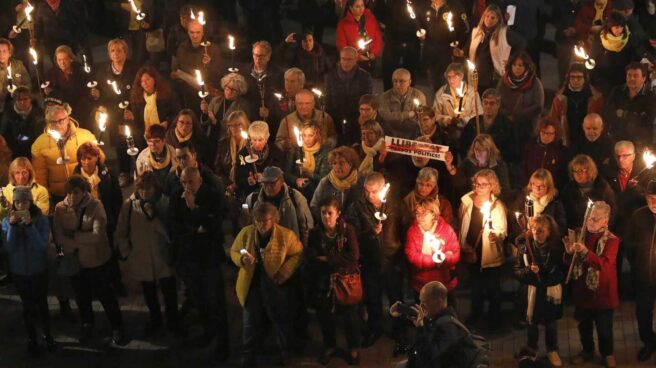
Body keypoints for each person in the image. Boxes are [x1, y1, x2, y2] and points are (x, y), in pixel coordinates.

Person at [53, 175, 126, 345]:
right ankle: (87, 323)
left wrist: (73, 236)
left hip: (97, 260)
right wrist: (80, 238)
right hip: (75, 262)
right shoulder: (60, 208)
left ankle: (117, 326)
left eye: (76, 192)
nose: (72, 196)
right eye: (69, 192)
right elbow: (58, 236)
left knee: (105, 294)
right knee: (81, 296)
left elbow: (98, 236)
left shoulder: (96, 206)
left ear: (84, 191)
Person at [230, 202, 303, 366]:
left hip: (275, 284)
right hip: (252, 284)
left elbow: (297, 253)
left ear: (274, 219)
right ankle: (248, 355)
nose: (261, 225)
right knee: (250, 322)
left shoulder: (286, 235)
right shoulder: (246, 233)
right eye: (258, 220)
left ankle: (285, 353)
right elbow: (234, 250)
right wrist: (242, 259)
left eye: (265, 221)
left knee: (280, 320)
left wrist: (285, 271)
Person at [169, 167, 229, 360]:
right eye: (184, 182)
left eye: (191, 182)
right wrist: (196, 228)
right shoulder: (176, 196)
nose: (187, 187)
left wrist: (194, 208)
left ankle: (223, 344)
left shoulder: (212, 196)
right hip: (188, 258)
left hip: (209, 258)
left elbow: (213, 226)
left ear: (200, 180)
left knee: (216, 302)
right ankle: (208, 331)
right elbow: (174, 225)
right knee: (199, 300)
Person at [115, 171, 180, 337]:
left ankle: (173, 320)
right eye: (142, 188)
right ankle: (155, 319)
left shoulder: (163, 203)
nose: (145, 192)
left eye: (148, 188)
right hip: (141, 256)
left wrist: (155, 218)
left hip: (162, 256)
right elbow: (121, 231)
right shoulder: (129, 206)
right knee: (149, 293)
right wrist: (127, 252)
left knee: (169, 292)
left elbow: (170, 229)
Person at [345, 172, 404, 351]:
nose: (369, 195)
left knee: (395, 296)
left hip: (391, 257)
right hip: (370, 259)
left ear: (383, 189)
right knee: (373, 297)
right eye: (366, 191)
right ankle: (375, 327)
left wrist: (401, 255)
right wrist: (370, 233)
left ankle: (399, 328)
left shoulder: (393, 205)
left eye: (374, 191)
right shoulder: (357, 207)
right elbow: (351, 235)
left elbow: (402, 229)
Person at [563, 201, 619, 367]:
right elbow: (570, 263)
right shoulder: (581, 235)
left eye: (595, 219)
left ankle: (607, 353)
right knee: (583, 326)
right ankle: (587, 351)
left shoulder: (612, 240)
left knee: (604, 328)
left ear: (605, 221)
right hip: (583, 291)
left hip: (602, 293)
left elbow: (604, 264)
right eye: (588, 218)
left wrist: (586, 252)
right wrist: (568, 253)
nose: (590, 222)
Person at [306, 196, 361, 365]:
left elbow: (353, 256)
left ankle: (353, 347)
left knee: (350, 317)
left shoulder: (347, 230)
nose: (326, 217)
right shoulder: (315, 233)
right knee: (325, 316)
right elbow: (312, 258)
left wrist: (328, 259)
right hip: (324, 282)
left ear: (338, 214)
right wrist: (335, 259)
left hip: (345, 280)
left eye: (330, 213)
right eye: (323, 213)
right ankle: (330, 345)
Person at [1, 186, 54, 356]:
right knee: (27, 307)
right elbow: (9, 248)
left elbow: (41, 246)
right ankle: (32, 338)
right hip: (19, 272)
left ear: (30, 202)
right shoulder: (6, 222)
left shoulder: (41, 220)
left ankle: (47, 335)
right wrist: (14, 228)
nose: (21, 205)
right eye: (17, 202)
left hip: (39, 269)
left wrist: (30, 226)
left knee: (42, 304)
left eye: (24, 201)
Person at [390, 281, 490, 368]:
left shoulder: (448, 329)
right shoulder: (435, 316)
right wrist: (398, 314)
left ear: (439, 302)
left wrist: (420, 329)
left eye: (425, 303)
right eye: (421, 302)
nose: (421, 306)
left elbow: (429, 359)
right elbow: (417, 319)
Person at [458, 169, 507, 328]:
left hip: (490, 254)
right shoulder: (467, 202)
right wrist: (462, 243)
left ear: (492, 186)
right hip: (472, 251)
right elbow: (462, 224)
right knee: (475, 288)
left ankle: (495, 319)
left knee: (493, 288)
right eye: (477, 184)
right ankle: (475, 315)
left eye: (484, 185)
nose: (479, 188)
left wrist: (496, 236)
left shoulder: (497, 206)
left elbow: (502, 230)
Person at [514, 215, 564, 367]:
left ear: (549, 232)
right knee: (532, 324)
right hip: (531, 292)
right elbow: (517, 271)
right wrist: (529, 270)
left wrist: (543, 281)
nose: (537, 233)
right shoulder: (524, 248)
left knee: (550, 323)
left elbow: (560, 273)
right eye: (534, 229)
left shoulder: (556, 249)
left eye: (541, 230)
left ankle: (552, 349)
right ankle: (531, 350)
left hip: (549, 291)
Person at [31, 103, 103, 201]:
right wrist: (45, 198)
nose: (57, 125)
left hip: (84, 191)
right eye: (53, 122)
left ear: (68, 119)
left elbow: (100, 161)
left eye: (61, 120)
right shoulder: (40, 144)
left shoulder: (85, 136)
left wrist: (96, 152)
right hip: (58, 195)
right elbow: (40, 176)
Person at [90, 39, 138, 185]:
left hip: (131, 111)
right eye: (112, 51)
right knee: (120, 144)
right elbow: (101, 96)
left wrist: (131, 109)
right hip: (114, 113)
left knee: (136, 140)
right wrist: (98, 98)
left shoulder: (134, 69)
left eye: (119, 50)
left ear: (125, 52)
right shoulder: (103, 72)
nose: (116, 54)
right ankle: (123, 171)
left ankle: (139, 170)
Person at [456, 4, 525, 93]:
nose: (489, 20)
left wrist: (512, 59)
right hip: (476, 75)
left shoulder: (504, 33)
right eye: (487, 16)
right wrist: (461, 52)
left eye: (493, 18)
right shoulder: (476, 32)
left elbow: (521, 43)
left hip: (492, 77)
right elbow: (468, 48)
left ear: (498, 20)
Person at [405, 197, 460, 304]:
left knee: (447, 316)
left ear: (433, 215)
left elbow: (455, 255)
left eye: (424, 214)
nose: (420, 218)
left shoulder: (446, 229)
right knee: (423, 316)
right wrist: (436, 260)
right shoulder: (412, 232)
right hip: (422, 284)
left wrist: (444, 257)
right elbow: (412, 257)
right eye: (418, 214)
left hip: (444, 284)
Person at [625, 181, 656, 362]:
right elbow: (629, 243)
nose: (653, 202)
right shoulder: (638, 216)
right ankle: (648, 341)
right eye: (650, 198)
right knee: (643, 311)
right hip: (644, 276)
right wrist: (638, 263)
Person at [245, 166, 314, 246]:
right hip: (262, 248)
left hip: (289, 247)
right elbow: (247, 226)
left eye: (272, 183)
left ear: (281, 182)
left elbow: (306, 227)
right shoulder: (253, 199)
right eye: (266, 183)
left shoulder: (295, 198)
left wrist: (303, 250)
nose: (268, 187)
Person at [324, 46, 373, 145]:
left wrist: (361, 116)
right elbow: (328, 100)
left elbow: (366, 99)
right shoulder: (330, 76)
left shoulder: (365, 77)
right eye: (343, 59)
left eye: (349, 59)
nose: (346, 62)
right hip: (336, 118)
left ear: (356, 60)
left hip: (356, 119)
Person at [418, 0, 470, 92]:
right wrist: (421, 32)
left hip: (448, 55)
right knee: (435, 87)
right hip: (431, 54)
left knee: (449, 87)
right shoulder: (425, 6)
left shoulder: (455, 6)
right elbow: (420, 23)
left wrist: (459, 46)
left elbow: (465, 29)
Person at [171, 18, 223, 107]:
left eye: (198, 32)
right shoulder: (182, 48)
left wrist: (208, 65)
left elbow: (218, 75)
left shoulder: (213, 49)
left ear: (203, 32)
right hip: (186, 90)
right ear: (188, 32)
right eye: (192, 32)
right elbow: (177, 69)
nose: (195, 36)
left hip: (207, 91)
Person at [548, 63, 604, 147]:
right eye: (573, 77)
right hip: (567, 138)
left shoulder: (595, 98)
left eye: (579, 77)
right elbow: (553, 119)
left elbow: (601, 121)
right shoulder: (560, 98)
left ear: (585, 78)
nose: (576, 80)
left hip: (589, 139)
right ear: (568, 78)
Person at [603, 62, 656, 149]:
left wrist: (624, 114)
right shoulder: (617, 91)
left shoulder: (650, 96)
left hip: (640, 144)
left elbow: (647, 120)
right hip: (617, 140)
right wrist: (635, 115)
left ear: (643, 78)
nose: (631, 78)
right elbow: (607, 112)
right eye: (629, 75)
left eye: (635, 76)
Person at [498, 52, 545, 149]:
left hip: (528, 125)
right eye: (514, 65)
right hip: (506, 123)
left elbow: (538, 106)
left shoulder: (535, 82)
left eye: (520, 65)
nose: (517, 68)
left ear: (527, 67)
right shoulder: (504, 81)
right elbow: (497, 101)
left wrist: (518, 115)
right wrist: (508, 115)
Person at [432, 63, 482, 151]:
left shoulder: (472, 92)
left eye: (454, 76)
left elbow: (478, 113)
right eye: (449, 77)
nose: (451, 80)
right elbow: (435, 115)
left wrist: (465, 120)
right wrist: (448, 120)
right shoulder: (441, 93)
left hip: (468, 133)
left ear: (461, 76)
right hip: (448, 134)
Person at [445, 134, 511, 199]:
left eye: (483, 149)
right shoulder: (468, 162)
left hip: (492, 201)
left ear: (489, 150)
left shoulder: (499, 165)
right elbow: (460, 183)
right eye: (476, 149)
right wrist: (450, 166)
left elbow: (505, 190)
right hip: (471, 200)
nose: (479, 152)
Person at [589, 12, 641, 95]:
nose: (619, 30)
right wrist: (594, 78)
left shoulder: (629, 38)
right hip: (604, 79)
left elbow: (634, 56)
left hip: (623, 78)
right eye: (616, 27)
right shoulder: (600, 38)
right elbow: (592, 59)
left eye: (621, 27)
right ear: (610, 26)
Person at [461, 88, 515, 164]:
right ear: (482, 103)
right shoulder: (473, 123)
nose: (488, 106)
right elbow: (464, 145)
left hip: (497, 164)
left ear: (498, 104)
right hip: (475, 164)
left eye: (491, 103)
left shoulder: (507, 125)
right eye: (485, 103)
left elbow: (511, 151)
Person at [562, 154, 617, 228]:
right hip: (576, 230)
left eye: (581, 170)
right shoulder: (569, 189)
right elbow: (564, 213)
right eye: (575, 171)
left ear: (589, 170)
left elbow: (612, 210)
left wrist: (601, 228)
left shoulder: (602, 187)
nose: (578, 174)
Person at [235, 121, 285, 201]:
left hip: (271, 195)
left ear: (266, 138)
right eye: (254, 140)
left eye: (260, 140)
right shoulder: (242, 155)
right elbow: (238, 179)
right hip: (249, 195)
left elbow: (280, 176)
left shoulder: (276, 153)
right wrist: (247, 181)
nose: (257, 144)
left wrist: (265, 178)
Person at [45, 45, 91, 128]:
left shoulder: (80, 70)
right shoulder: (51, 73)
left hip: (80, 107)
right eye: (59, 60)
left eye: (65, 59)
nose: (62, 63)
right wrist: (49, 92)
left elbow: (86, 90)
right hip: (63, 110)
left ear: (71, 58)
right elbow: (51, 95)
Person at [310, 146, 363, 219]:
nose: (337, 167)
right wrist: (326, 219)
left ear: (350, 164)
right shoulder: (325, 182)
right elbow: (314, 205)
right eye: (334, 163)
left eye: (341, 163)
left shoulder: (360, 181)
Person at [283, 121, 331, 201]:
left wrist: (308, 173)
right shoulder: (295, 150)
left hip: (316, 190)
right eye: (304, 135)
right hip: (296, 189)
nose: (307, 139)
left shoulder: (324, 151)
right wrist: (296, 180)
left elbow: (324, 178)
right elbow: (286, 173)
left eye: (310, 135)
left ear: (317, 135)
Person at [519, 116, 570, 189]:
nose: (546, 136)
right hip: (531, 187)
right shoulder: (531, 147)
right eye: (543, 132)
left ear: (555, 134)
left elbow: (563, 175)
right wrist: (527, 185)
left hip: (552, 190)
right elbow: (523, 168)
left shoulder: (561, 151)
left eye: (549, 133)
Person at [126, 65, 180, 133]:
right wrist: (132, 118)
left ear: (154, 79)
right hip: (145, 136)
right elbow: (138, 124)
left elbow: (177, 113)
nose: (145, 83)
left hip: (167, 133)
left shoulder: (167, 94)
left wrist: (167, 122)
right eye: (142, 81)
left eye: (147, 79)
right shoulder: (137, 99)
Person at [201, 73, 250, 145]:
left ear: (239, 91)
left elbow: (241, 126)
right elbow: (206, 122)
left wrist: (216, 122)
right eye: (228, 88)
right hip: (211, 138)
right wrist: (205, 112)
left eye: (234, 90)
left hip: (229, 142)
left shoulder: (242, 105)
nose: (229, 92)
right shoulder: (216, 100)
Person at [335, 0, 383, 73]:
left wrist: (374, 53)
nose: (361, 9)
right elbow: (342, 46)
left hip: (371, 57)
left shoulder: (370, 17)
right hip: (354, 62)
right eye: (357, 6)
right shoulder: (343, 24)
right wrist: (357, 56)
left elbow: (378, 36)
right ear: (350, 8)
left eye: (362, 5)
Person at [377, 68, 426, 139]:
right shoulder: (385, 97)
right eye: (395, 81)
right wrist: (408, 114)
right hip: (390, 133)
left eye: (401, 81)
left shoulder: (418, 96)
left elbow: (422, 117)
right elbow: (386, 117)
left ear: (409, 82)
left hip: (412, 134)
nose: (397, 84)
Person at [241, 40, 282, 121]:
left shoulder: (277, 74)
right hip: (248, 116)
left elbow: (279, 98)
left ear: (268, 57)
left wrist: (270, 111)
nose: (258, 59)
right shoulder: (244, 72)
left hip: (268, 119)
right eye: (255, 55)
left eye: (261, 56)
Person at [0, 86, 44, 160]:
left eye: (25, 99)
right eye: (19, 100)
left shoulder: (40, 114)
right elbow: (4, 135)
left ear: (30, 99)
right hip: (16, 154)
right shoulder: (8, 116)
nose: (22, 102)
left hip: (37, 153)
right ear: (15, 101)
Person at [578, 113, 616, 178]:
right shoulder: (577, 145)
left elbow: (613, 170)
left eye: (595, 128)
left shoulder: (610, 144)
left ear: (602, 128)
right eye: (588, 128)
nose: (591, 132)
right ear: (583, 127)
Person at [0, 38, 30, 115]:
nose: (1, 54)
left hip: (17, 107)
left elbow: (28, 84)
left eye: (4, 51)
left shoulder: (18, 65)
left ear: (9, 53)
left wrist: (17, 91)